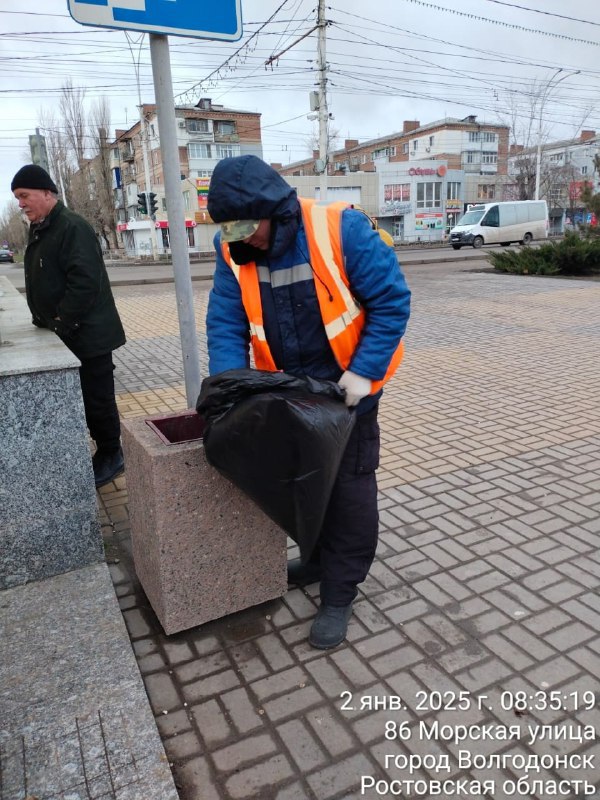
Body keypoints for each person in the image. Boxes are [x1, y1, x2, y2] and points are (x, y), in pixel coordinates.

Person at [206, 155, 411, 649]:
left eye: (249, 226)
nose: (242, 238)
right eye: (232, 228)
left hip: (348, 389)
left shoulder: (341, 229)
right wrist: (232, 384)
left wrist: (363, 375)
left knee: (349, 486)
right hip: (289, 393)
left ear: (275, 211)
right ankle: (317, 560)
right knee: (304, 479)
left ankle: (340, 591)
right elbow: (226, 321)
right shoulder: (232, 248)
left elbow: (392, 302)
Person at [11, 164, 126, 489]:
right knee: (86, 399)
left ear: (47, 193)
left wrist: (62, 321)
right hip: (68, 333)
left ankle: (111, 454)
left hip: (88, 335)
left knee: (97, 398)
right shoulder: (44, 228)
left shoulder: (72, 226)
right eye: (17, 198)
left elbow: (85, 282)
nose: (21, 203)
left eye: (24, 196)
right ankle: (102, 450)